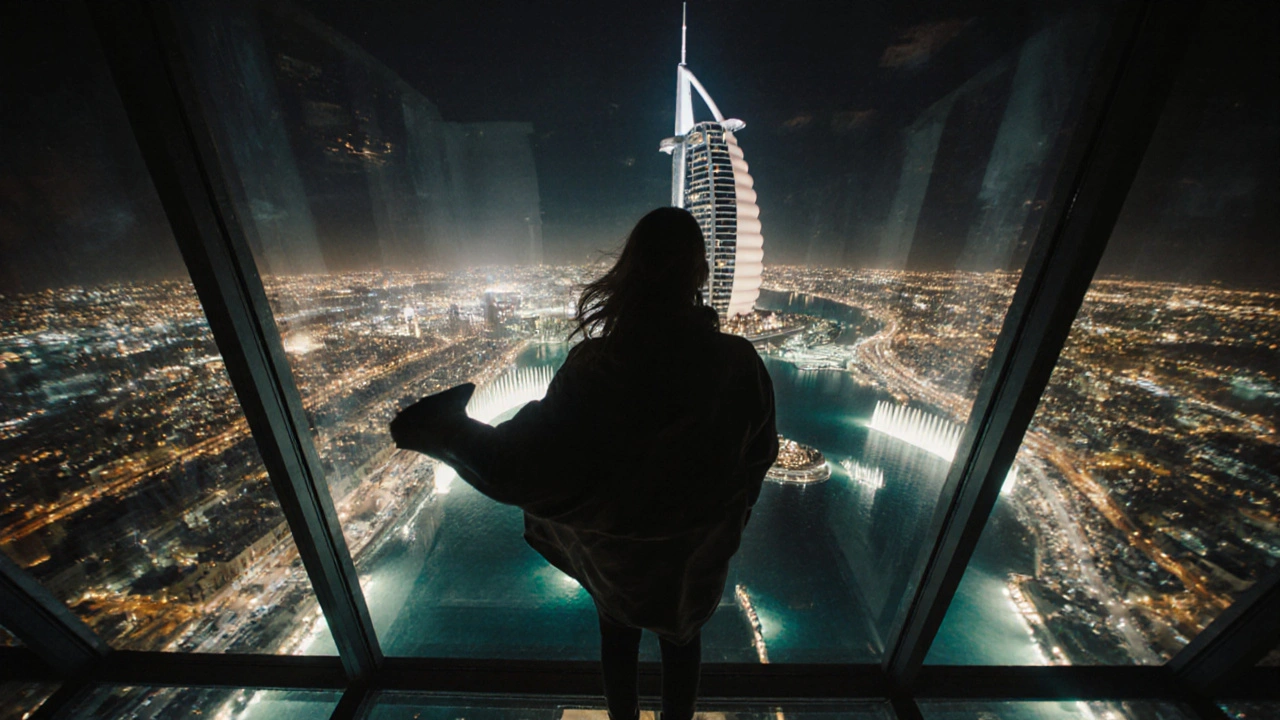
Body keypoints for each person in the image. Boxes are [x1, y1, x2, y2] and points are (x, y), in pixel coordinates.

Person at [390, 207, 777, 720]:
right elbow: (759, 457)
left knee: (617, 637)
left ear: (629, 270)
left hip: (613, 559)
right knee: (683, 642)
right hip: (693, 558)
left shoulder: (595, 367)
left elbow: (521, 465)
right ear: (700, 273)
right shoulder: (738, 363)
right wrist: (726, 518)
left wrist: (448, 431)